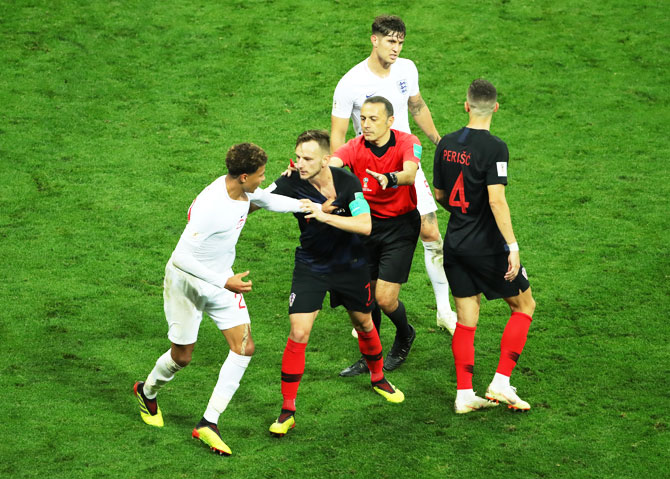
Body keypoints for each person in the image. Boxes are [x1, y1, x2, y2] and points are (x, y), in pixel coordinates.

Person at [133, 143, 316, 455]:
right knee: (182, 357)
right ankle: (146, 391)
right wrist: (225, 281)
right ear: (243, 176)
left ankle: (208, 423)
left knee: (244, 347)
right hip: (187, 283)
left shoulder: (242, 190)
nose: (263, 179)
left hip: (222, 282)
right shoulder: (212, 207)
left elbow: (267, 200)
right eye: (260, 175)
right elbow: (180, 258)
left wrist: (305, 206)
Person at [266, 130, 404, 437]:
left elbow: (365, 225)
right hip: (311, 265)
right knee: (299, 332)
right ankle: (288, 410)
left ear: (326, 159)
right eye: (298, 156)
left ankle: (378, 377)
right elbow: (256, 201)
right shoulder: (290, 182)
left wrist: (322, 215)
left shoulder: (346, 182)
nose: (300, 163)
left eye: (308, 158)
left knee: (365, 324)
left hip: (350, 265)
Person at [331, 14, 457, 334]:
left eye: (400, 42)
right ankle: (366, 314)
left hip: (405, 164)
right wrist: (339, 180)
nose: (396, 48)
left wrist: (440, 143)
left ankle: (444, 310)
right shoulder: (350, 83)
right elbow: (338, 135)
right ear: (374, 40)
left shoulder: (407, 69)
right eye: (390, 41)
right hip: (368, 171)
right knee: (368, 240)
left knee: (431, 233)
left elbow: (416, 106)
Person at [432, 79, 537, 414]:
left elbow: (439, 196)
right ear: (495, 107)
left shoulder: (446, 143)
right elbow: (496, 200)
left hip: (455, 244)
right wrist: (513, 246)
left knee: (467, 318)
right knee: (524, 305)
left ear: (466, 105)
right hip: (487, 246)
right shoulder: (495, 148)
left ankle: (465, 394)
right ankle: (501, 382)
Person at [330, 96, 421, 376]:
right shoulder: (355, 146)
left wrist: (389, 178)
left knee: (384, 299)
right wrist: (306, 173)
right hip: (366, 226)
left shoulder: (408, 141)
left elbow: (410, 173)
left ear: (390, 121)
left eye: (373, 119)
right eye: (363, 119)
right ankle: (372, 357)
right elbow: (333, 163)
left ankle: (405, 335)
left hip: (400, 228)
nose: (365, 125)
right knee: (366, 297)